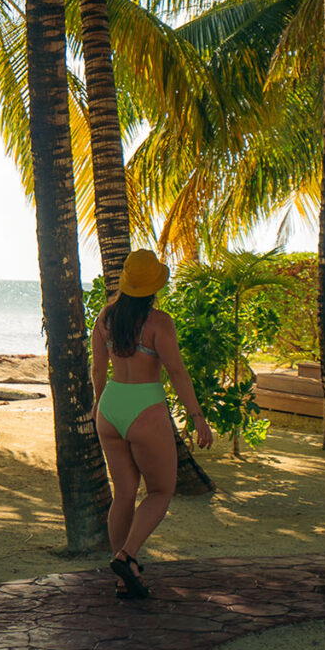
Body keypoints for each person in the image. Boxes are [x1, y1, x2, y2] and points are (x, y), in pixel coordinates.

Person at [91, 248, 215, 599]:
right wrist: (197, 417)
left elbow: (98, 368)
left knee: (124, 494)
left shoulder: (105, 318)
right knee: (160, 491)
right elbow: (177, 372)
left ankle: (124, 577)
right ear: (154, 287)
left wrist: (99, 402)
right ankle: (127, 556)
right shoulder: (159, 322)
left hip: (110, 406)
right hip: (145, 407)